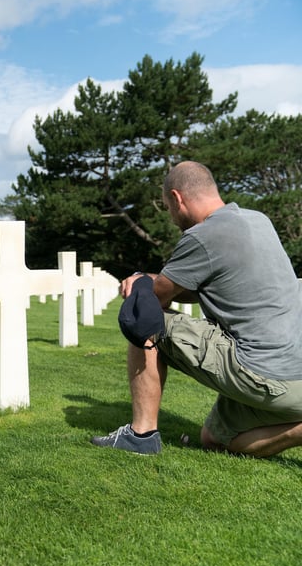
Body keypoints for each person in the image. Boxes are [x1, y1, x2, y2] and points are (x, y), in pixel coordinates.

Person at [91, 161, 302, 457]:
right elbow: (205, 286)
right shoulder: (258, 220)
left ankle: (141, 435)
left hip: (262, 372)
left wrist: (140, 281)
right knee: (213, 439)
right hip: (297, 378)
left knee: (140, 310)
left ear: (177, 198)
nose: (171, 216)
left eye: (167, 207)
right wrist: (159, 281)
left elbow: (156, 300)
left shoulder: (202, 236)